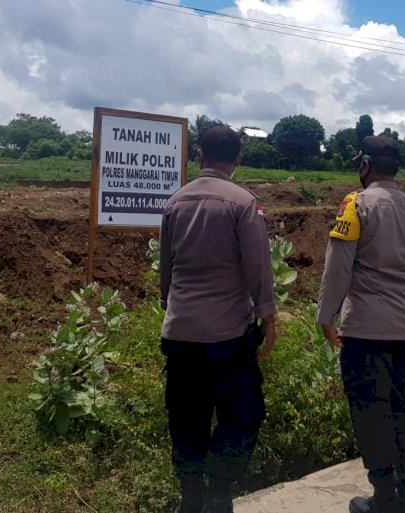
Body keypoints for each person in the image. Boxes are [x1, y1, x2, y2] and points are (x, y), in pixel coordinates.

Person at [158, 125, 277, 513]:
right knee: (243, 414)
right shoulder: (244, 203)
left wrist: (171, 305)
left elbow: (166, 270)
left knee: (186, 417)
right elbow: (258, 266)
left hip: (181, 332)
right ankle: (219, 493)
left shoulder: (175, 202)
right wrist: (268, 316)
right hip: (228, 335)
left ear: (198, 155)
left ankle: (191, 496)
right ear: (238, 158)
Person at [317, 136, 405, 513]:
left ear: (365, 165)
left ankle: (384, 498)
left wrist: (326, 316)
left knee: (371, 410)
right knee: (403, 406)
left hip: (367, 331)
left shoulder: (356, 204)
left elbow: (338, 268)